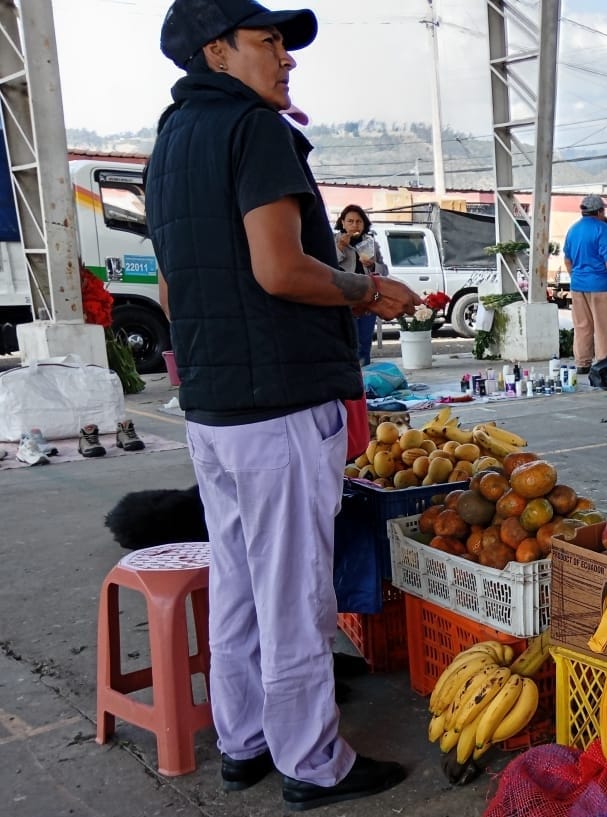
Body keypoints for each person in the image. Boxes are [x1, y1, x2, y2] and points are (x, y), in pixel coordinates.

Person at [147, 0, 419, 809]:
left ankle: (244, 740)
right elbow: (279, 268)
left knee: (236, 579)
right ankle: (312, 759)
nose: (286, 58)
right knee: (295, 588)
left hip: (213, 406)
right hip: (279, 404)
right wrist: (370, 290)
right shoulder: (256, 131)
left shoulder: (169, 142)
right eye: (268, 42)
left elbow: (170, 286)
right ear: (217, 52)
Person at [562, 194, 607, 375]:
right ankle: (605, 363)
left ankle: (582, 363)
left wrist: (576, 276)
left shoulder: (573, 229)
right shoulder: (602, 229)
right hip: (600, 286)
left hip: (578, 285)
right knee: (605, 327)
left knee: (582, 326)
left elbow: (567, 259)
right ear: (599, 211)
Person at [334, 205, 389, 365]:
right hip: (344, 299)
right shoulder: (334, 241)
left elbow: (384, 270)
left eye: (359, 221)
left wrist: (372, 265)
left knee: (364, 341)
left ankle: (364, 379)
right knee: (348, 342)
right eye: (350, 221)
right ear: (343, 223)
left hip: (366, 298)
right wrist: (341, 248)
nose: (354, 225)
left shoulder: (370, 243)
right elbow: (327, 266)